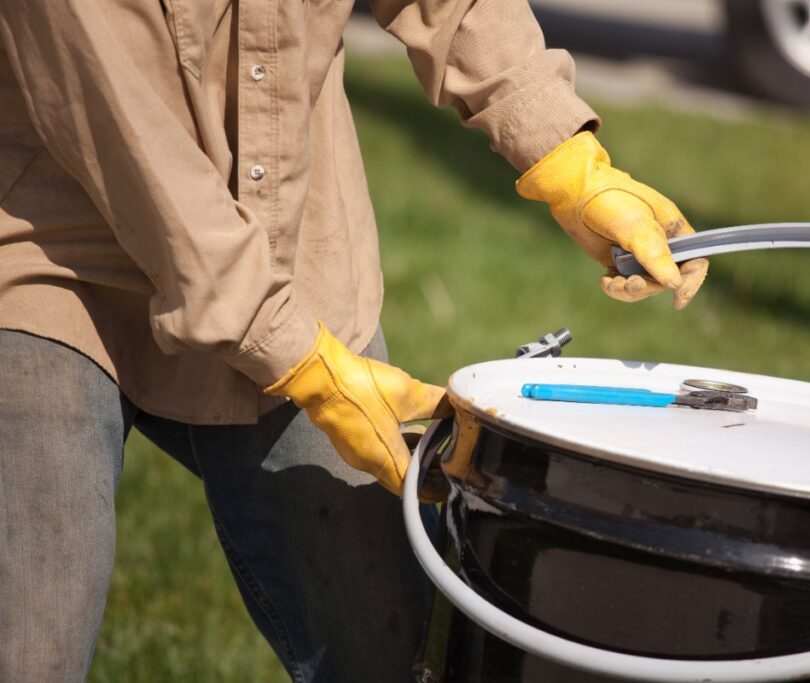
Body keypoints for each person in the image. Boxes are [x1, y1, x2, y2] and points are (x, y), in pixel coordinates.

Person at [0, 0, 709, 681]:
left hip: (290, 245)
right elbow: (122, 129)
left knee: (387, 648)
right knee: (31, 646)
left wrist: (566, 159)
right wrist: (306, 364)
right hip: (52, 251)